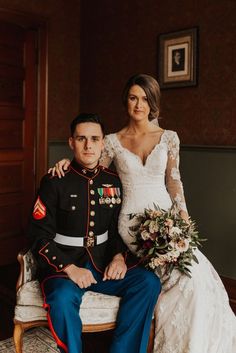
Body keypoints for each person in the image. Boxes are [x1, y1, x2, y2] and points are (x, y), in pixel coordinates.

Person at [49, 74, 236, 353]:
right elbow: (89, 167)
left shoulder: (169, 138)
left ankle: (191, 344)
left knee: (193, 277)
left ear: (153, 102)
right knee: (157, 279)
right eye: (133, 97)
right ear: (126, 101)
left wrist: (182, 222)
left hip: (167, 219)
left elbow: (174, 182)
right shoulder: (111, 141)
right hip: (131, 223)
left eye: (145, 98)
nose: (139, 104)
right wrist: (66, 160)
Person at [28, 113, 161, 353]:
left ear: (102, 143)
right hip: (63, 268)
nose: (88, 145)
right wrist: (69, 268)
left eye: (94, 139)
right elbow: (38, 237)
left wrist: (119, 257)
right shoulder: (55, 180)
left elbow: (115, 229)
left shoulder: (112, 180)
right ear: (71, 143)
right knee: (61, 299)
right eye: (81, 139)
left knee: (148, 282)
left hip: (100, 265)